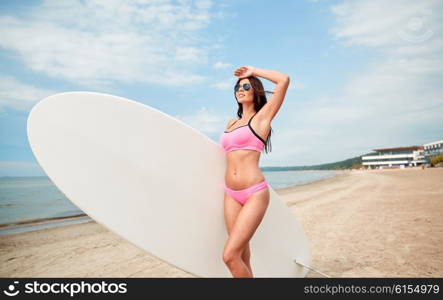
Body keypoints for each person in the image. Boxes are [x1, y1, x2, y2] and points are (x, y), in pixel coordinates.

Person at [219, 66, 290, 277]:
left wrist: (253, 71)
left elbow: (284, 79)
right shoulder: (231, 123)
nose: (240, 89)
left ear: (255, 91)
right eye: (237, 87)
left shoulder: (261, 119)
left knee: (229, 256)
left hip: (253, 193)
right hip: (230, 194)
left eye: (246, 86)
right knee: (241, 255)